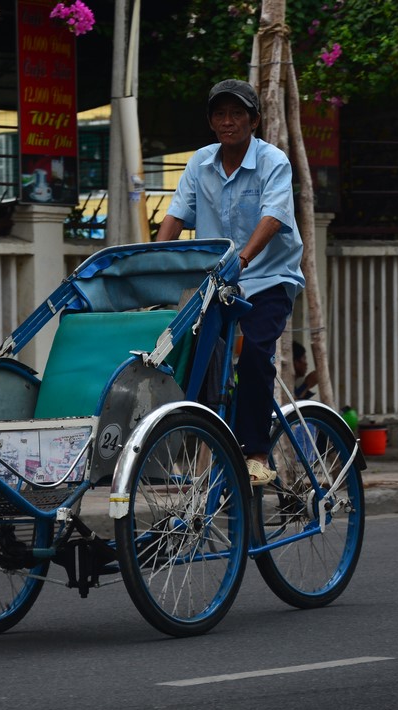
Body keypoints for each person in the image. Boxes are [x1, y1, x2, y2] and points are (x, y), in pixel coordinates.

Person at [155, 78, 305, 486]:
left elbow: (273, 217)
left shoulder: (273, 161)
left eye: (237, 114)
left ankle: (257, 453)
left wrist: (241, 259)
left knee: (256, 354)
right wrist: (150, 257)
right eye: (220, 114)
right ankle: (208, 437)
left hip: (268, 277)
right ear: (210, 121)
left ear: (254, 120)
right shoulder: (199, 163)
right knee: (182, 351)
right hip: (216, 282)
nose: (228, 122)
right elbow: (175, 215)